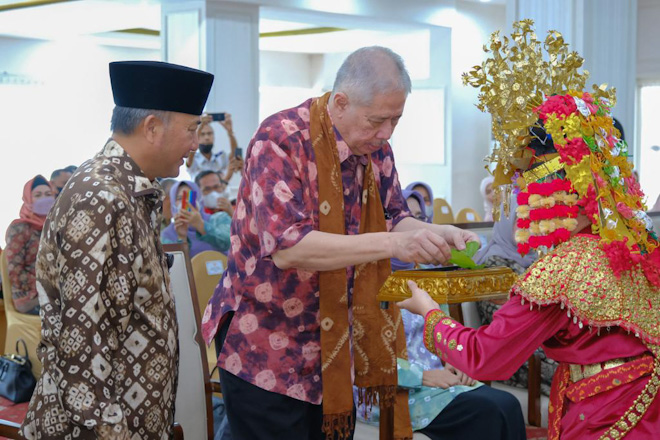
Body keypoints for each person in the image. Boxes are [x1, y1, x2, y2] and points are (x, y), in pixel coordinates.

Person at [201, 46, 478, 440]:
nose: (385, 134)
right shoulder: (280, 140)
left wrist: (436, 234)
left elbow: (394, 216)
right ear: (340, 102)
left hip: (333, 349)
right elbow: (290, 247)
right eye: (377, 121)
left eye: (395, 121)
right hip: (266, 344)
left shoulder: (375, 150)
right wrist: (390, 244)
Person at [399, 21, 660, 440]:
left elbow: (485, 359)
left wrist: (429, 312)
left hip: (603, 414)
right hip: (643, 403)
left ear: (555, 183)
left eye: (526, 177)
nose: (521, 192)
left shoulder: (566, 264)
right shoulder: (637, 241)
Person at [20, 60, 214, 439]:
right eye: (191, 129)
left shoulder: (131, 191)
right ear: (153, 127)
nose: (195, 145)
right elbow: (82, 348)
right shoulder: (101, 199)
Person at [4, 175, 55, 314]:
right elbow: (14, 269)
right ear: (28, 200)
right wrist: (46, 286)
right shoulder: (20, 228)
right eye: (38, 195)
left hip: (55, 293)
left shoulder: (55, 226)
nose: (44, 198)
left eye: (48, 194)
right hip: (29, 297)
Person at [161, 180, 231, 256]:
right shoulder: (167, 234)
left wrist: (201, 225)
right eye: (180, 198)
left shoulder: (219, 219)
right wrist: (182, 237)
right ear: (173, 203)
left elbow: (228, 243)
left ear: (199, 199)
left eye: (191, 197)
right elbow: (176, 263)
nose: (187, 202)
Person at [186, 112, 244, 181]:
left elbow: (234, 156)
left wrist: (230, 131)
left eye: (209, 133)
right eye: (202, 134)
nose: (206, 137)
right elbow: (191, 153)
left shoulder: (221, 157)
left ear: (214, 136)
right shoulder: (194, 159)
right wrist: (200, 126)